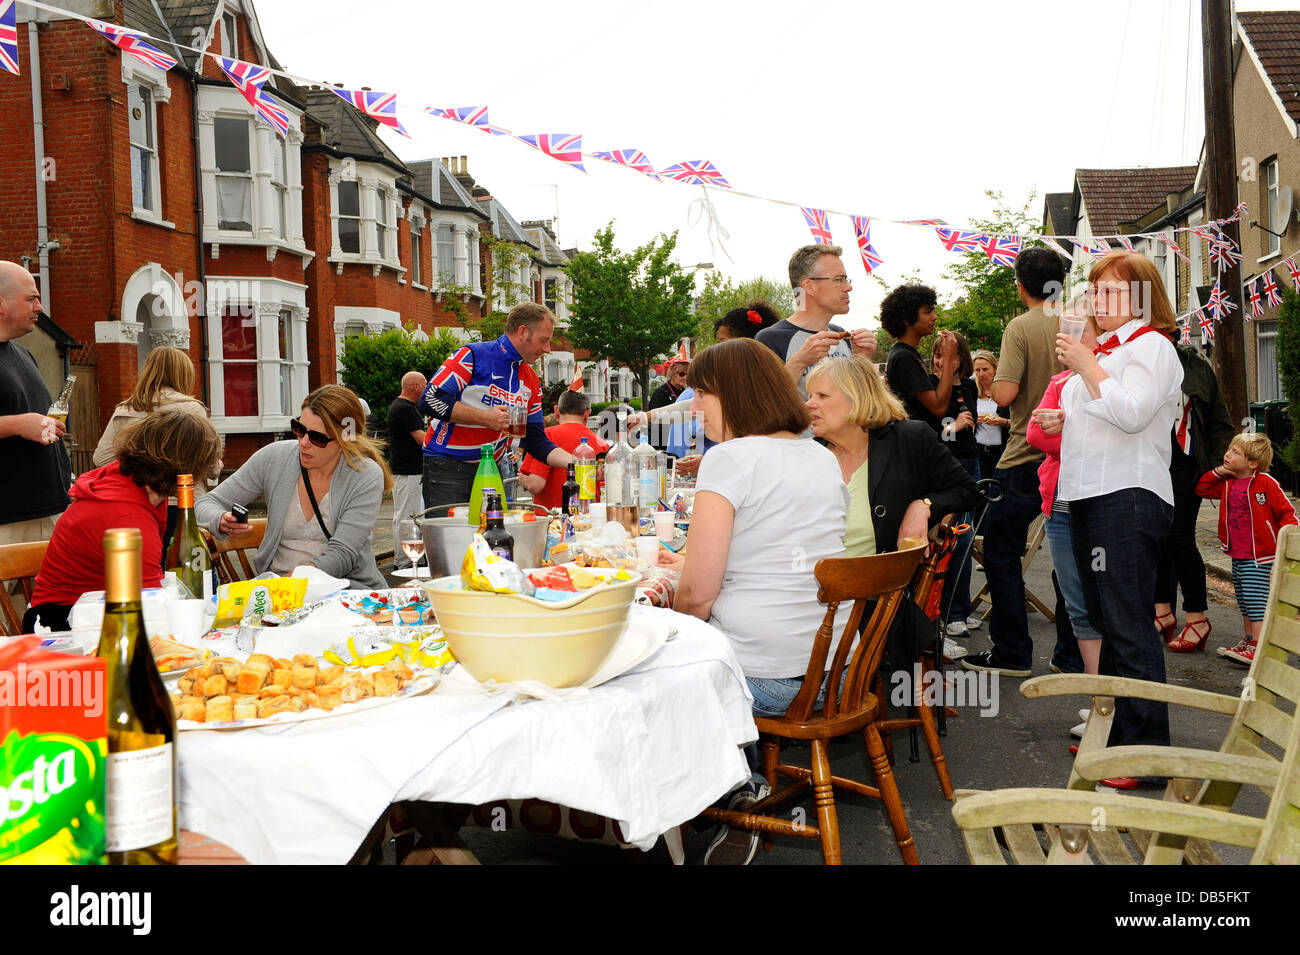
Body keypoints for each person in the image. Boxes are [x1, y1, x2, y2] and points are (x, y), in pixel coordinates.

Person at [654, 338, 849, 864]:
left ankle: (718, 795)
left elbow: (696, 595)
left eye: (702, 395)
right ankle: (736, 786)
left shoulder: (730, 459)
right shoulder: (821, 456)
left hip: (769, 682)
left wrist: (659, 632)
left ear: (732, 394)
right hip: (836, 670)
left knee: (649, 669)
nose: (695, 408)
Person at [1049, 251, 1184, 774]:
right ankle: (1116, 737)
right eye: (1095, 289)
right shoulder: (1105, 352)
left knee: (1127, 623)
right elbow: (1106, 422)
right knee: (1109, 621)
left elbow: (1131, 415)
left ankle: (1144, 753)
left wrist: (1086, 367)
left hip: (1127, 497)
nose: (1096, 300)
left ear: (1143, 298)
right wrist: (1064, 418)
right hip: (1090, 495)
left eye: (1111, 291)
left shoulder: (1152, 346)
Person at [804, 355, 980, 661]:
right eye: (810, 396)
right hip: (805, 598)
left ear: (856, 397)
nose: (808, 405)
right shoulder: (809, 455)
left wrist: (923, 505)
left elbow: (968, 490)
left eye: (821, 396)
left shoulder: (908, 439)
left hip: (866, 613)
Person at [23, 407, 222, 632]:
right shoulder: (129, 517)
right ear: (188, 467)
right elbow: (152, 608)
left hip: (90, 613)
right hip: (61, 628)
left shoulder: (131, 483)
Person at [963, 247, 1066, 677]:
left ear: (1020, 285)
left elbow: (1003, 395)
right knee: (1067, 560)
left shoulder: (1021, 326)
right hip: (1066, 455)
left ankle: (1013, 652)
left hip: (1024, 454)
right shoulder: (1079, 322)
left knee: (1002, 554)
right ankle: (1072, 656)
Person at [197, 385, 392, 589]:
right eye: (299, 429)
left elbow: (342, 553)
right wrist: (219, 520)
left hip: (348, 589)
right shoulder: (274, 457)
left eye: (317, 437)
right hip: (279, 592)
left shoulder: (365, 474)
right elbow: (206, 502)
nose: (304, 442)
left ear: (345, 439)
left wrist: (287, 585)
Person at [418, 302, 573, 511]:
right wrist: (484, 417)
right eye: (543, 340)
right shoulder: (471, 356)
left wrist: (578, 461)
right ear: (522, 332)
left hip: (491, 468)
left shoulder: (531, 380)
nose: (547, 349)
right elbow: (429, 399)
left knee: (492, 538)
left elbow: (536, 440)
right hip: (447, 467)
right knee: (452, 541)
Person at [1026, 321, 1105, 716]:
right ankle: (1099, 700)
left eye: (1076, 329)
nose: (1064, 338)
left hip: (1101, 505)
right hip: (1059, 508)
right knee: (1076, 603)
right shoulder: (1059, 382)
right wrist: (1073, 433)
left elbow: (1113, 434)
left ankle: (1118, 699)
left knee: (1108, 603)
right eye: (1062, 330)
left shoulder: (1111, 378)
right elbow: (1035, 436)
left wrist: (1067, 429)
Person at [1156, 341, 1235, 653]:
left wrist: (1218, 466)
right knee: (1158, 536)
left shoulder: (1195, 366)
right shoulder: (1140, 362)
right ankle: (1162, 611)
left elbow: (1219, 417)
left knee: (1180, 537)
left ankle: (1197, 618)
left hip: (1188, 462)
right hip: (1151, 460)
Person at [1196, 432, 1297, 664]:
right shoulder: (1228, 482)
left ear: (1253, 463)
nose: (1227, 454)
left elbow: (1287, 514)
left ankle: (1258, 647)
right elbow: (1202, 489)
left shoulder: (1266, 483)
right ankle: (1249, 639)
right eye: (1229, 449)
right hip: (1237, 553)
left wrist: (1287, 543)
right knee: (1243, 598)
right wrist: (1219, 472)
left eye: (1235, 452)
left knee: (1255, 598)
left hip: (1260, 555)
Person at [0, 261, 71, 546]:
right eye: (32, 299)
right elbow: (23, 423)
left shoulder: (24, 355)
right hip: (6, 522)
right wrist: (20, 424)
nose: (40, 307)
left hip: (49, 513)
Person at [756, 244, 875, 398]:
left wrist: (862, 359)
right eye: (838, 279)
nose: (848, 287)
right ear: (809, 287)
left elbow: (859, 401)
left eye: (846, 279)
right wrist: (799, 362)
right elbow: (762, 407)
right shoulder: (770, 340)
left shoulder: (841, 335)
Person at [929, 333, 980, 641]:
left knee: (966, 539)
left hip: (970, 464)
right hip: (946, 468)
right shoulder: (929, 386)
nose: (941, 361)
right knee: (955, 541)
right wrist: (953, 427)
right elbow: (932, 435)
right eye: (937, 355)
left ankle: (959, 611)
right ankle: (948, 615)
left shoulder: (970, 385)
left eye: (949, 356)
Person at [516, 390, 611, 509]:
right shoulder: (602, 444)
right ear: (587, 414)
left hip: (553, 520)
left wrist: (524, 481)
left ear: (556, 411)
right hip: (591, 517)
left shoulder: (545, 438)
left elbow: (536, 485)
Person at [880, 283, 956, 426]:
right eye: (928, 312)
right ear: (907, 319)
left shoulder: (904, 352)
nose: (935, 317)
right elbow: (939, 408)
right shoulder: (904, 357)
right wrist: (949, 358)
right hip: (915, 442)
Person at [387, 371, 428, 569]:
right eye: (424, 384)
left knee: (408, 514)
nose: (426, 388)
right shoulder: (405, 408)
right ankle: (404, 561)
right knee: (407, 516)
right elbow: (422, 439)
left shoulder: (403, 406)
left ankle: (409, 558)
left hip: (407, 469)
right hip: (408, 470)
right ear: (415, 386)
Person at [971, 349, 1011, 482]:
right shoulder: (972, 393)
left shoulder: (1006, 393)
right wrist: (973, 420)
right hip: (979, 452)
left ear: (995, 368)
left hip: (1002, 452)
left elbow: (1019, 423)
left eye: (985, 369)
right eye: (977, 370)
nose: (981, 374)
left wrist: (1002, 421)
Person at [645, 357, 688, 452]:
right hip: (661, 444)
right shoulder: (660, 393)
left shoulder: (686, 393)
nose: (685, 377)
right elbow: (656, 421)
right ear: (672, 374)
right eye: (681, 374)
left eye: (687, 374)